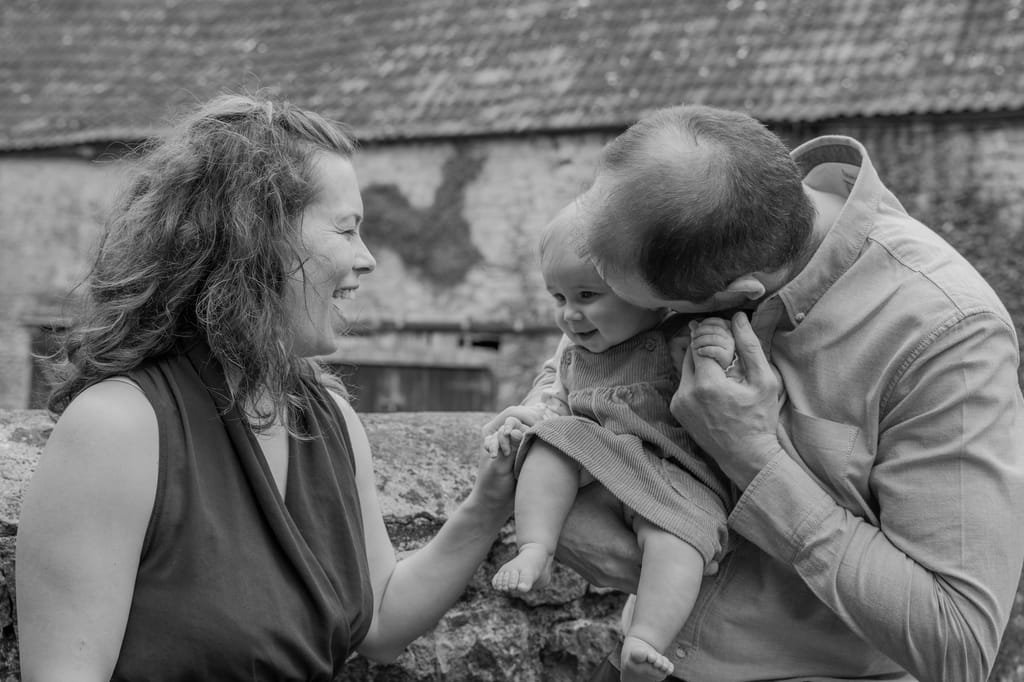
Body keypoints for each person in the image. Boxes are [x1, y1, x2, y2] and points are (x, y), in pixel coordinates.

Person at [14, 93, 514, 681]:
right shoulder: (118, 429)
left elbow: (378, 623)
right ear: (257, 238)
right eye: (347, 230)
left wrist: (489, 503)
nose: (368, 259)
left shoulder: (327, 417)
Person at [530, 104, 1024, 681]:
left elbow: (958, 643)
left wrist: (753, 455)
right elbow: (574, 365)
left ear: (740, 292)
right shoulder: (704, 229)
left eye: (648, 307)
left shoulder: (944, 333)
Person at [485, 201, 738, 681]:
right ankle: (534, 547)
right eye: (558, 297)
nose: (570, 315)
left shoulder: (677, 336)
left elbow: (722, 384)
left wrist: (716, 352)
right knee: (549, 442)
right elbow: (557, 399)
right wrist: (533, 418)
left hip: (674, 474)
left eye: (586, 295)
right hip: (598, 457)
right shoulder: (574, 350)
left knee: (680, 541)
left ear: (647, 292)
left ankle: (646, 640)